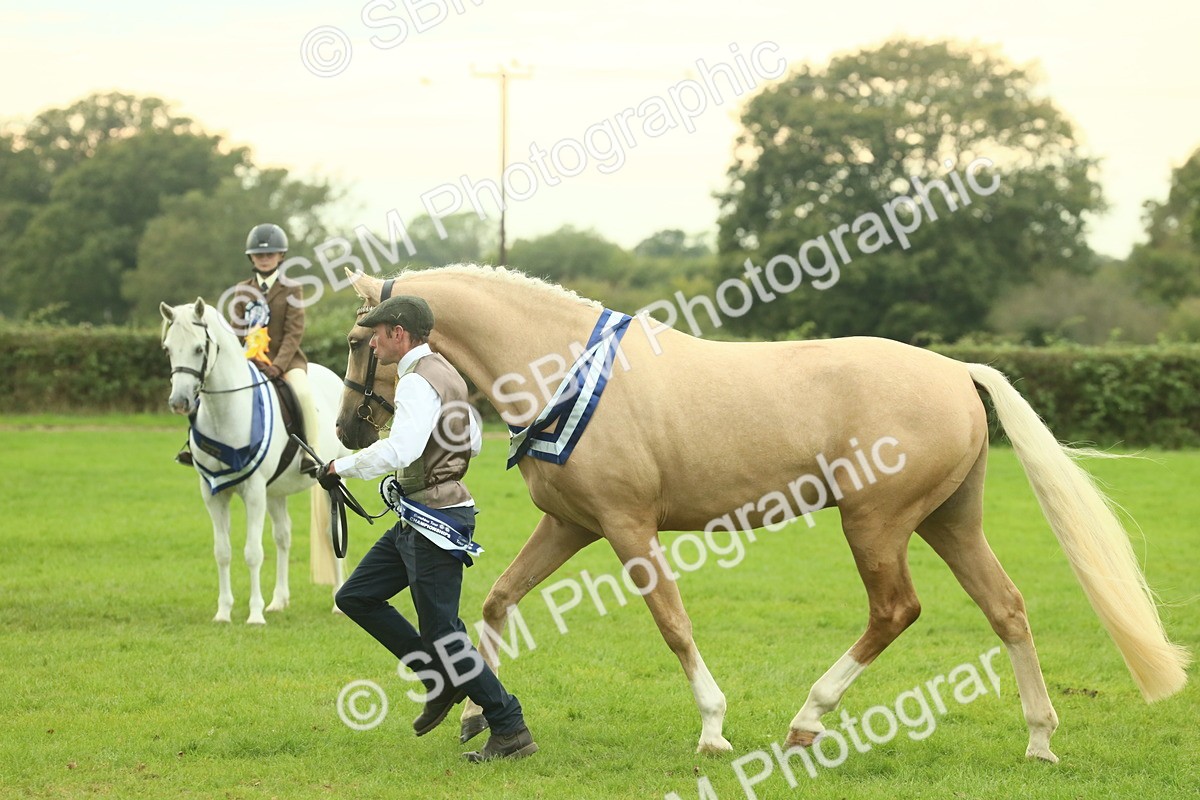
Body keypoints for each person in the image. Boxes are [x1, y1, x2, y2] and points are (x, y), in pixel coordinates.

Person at [327, 295, 537, 763]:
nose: (374, 344)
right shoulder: (447, 373)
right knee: (356, 596)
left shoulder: (419, 383)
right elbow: (475, 441)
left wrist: (341, 466)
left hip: (433, 520)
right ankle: (438, 678)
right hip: (421, 515)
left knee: (445, 634)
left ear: (398, 333)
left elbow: (401, 450)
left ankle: (509, 725)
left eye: (378, 334)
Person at [176, 223, 320, 466]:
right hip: (248, 360)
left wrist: (278, 365)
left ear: (280, 256)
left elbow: (293, 333)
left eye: (270, 254)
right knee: (208, 390)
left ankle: (310, 452)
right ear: (251, 257)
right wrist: (241, 359)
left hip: (285, 361)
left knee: (303, 393)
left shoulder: (292, 289)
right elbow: (236, 332)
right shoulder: (243, 290)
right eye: (259, 255)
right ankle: (194, 443)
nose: (264, 259)